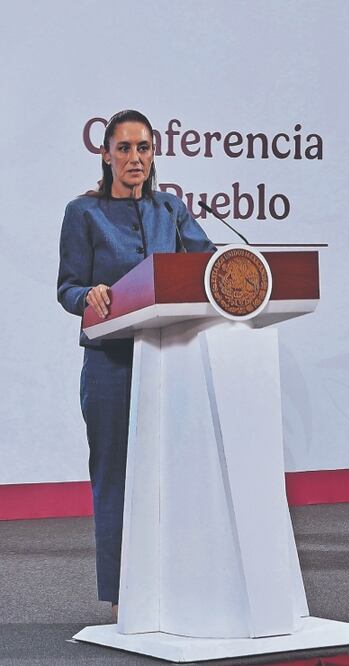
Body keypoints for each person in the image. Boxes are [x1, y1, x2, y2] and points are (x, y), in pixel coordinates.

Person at [57, 110, 215, 613]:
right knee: (116, 478)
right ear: (106, 154)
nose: (134, 158)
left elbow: (208, 265)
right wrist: (89, 295)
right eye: (123, 148)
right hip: (112, 365)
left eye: (143, 148)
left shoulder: (170, 210)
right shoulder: (84, 213)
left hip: (169, 361)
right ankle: (123, 595)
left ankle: (178, 584)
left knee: (175, 475)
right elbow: (66, 288)